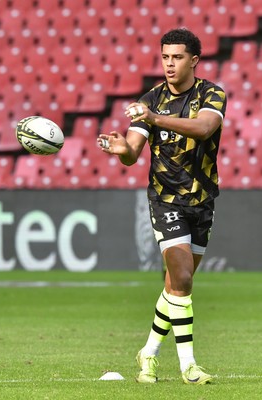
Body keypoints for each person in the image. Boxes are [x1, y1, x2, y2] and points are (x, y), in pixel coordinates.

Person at [97, 28, 226, 385]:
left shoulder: (211, 94)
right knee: (182, 277)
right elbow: (133, 153)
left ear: (194, 60)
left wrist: (153, 119)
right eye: (165, 56)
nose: (169, 63)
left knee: (175, 285)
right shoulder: (149, 99)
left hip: (201, 200)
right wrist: (121, 147)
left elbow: (203, 128)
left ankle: (149, 353)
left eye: (178, 57)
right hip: (165, 199)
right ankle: (189, 366)